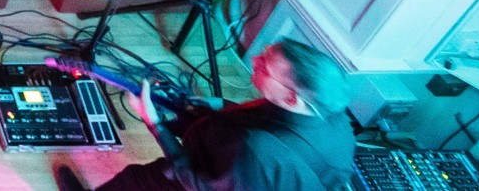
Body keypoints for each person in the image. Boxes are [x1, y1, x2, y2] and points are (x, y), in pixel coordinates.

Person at [57, 38, 355, 191]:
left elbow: (194, 181)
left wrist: (154, 122)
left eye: (264, 64)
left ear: (291, 97)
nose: (254, 59)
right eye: (264, 52)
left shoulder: (259, 151)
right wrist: (214, 104)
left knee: (136, 180)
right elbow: (258, 118)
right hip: (239, 172)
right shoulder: (336, 121)